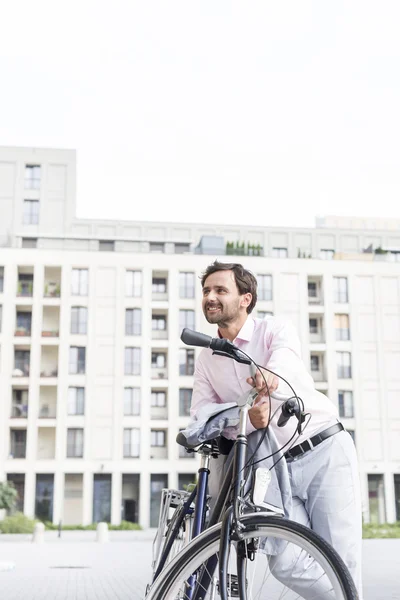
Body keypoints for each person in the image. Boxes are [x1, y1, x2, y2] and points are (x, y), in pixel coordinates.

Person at [190, 260, 363, 597]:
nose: (210, 296)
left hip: (323, 449)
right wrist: (239, 415)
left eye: (220, 290)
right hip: (272, 468)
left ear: (245, 299)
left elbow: (287, 361)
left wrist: (270, 376)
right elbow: (199, 417)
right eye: (207, 290)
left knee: (342, 560)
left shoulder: (274, 331)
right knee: (284, 560)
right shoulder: (206, 360)